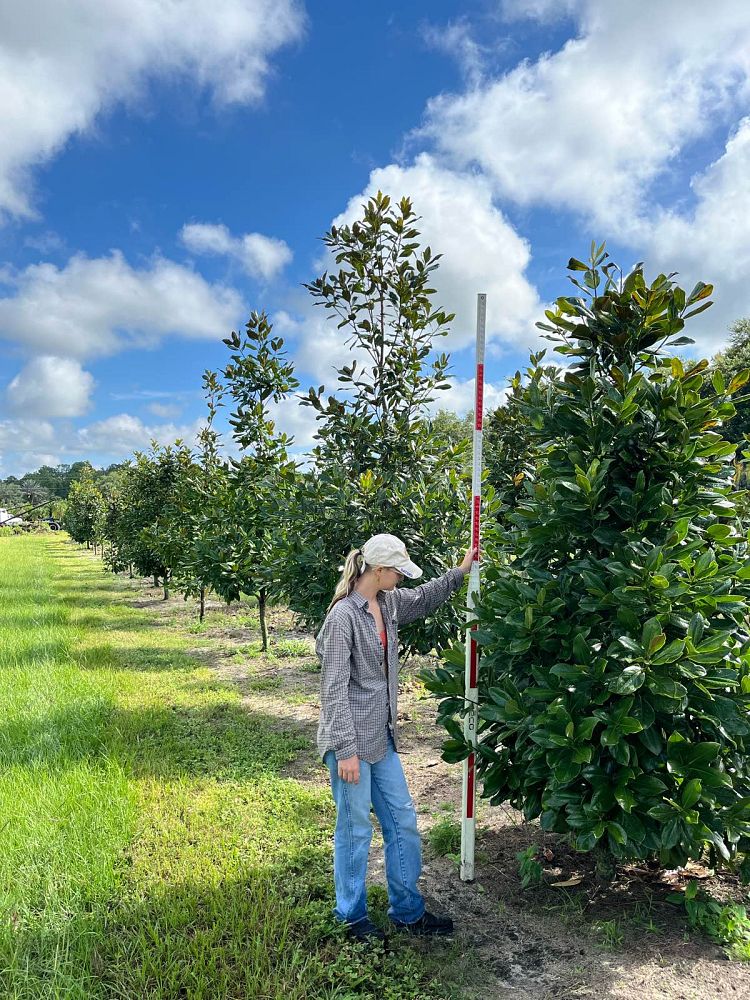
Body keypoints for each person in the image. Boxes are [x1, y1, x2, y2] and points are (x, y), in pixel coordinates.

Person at [316, 532, 476, 942]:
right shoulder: (342, 618)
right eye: (397, 572)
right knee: (354, 830)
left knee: (402, 822)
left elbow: (424, 598)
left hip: (381, 738)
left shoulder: (386, 604)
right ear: (379, 570)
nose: (402, 579)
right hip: (350, 743)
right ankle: (351, 917)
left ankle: (407, 910)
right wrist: (345, 751)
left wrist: (460, 572)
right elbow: (333, 688)